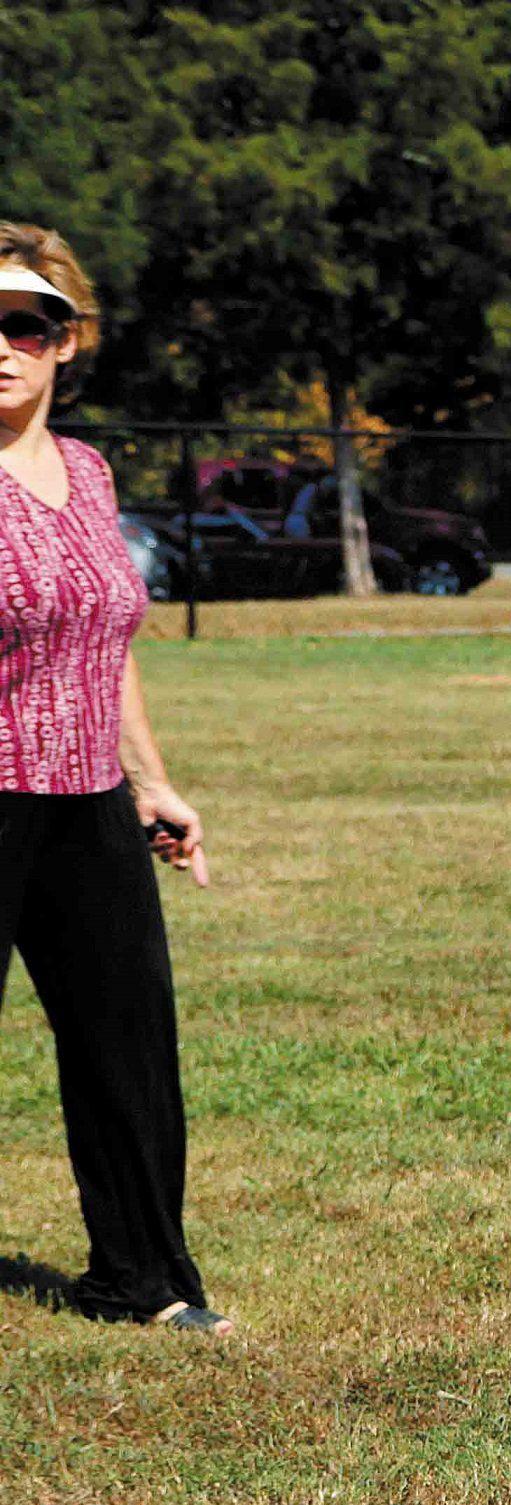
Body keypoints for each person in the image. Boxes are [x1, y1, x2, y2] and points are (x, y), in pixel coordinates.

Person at [0, 222, 227, 1334]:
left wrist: (154, 783)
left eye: (23, 324)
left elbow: (108, 640)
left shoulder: (87, 474)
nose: (1, 344)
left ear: (64, 342)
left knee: (127, 1047)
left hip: (88, 801)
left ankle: (144, 1280)